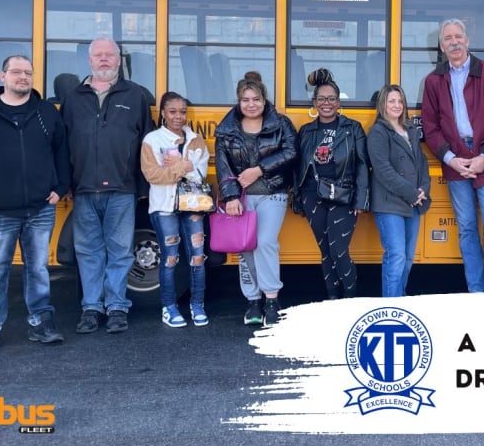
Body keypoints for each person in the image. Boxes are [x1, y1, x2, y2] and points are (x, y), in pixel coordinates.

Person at [0, 55, 70, 356]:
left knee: (38, 269)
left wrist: (60, 187)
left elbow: (62, 152)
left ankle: (41, 322)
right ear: (3, 76)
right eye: (16, 72)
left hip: (40, 208)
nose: (23, 77)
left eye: (28, 72)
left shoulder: (46, 112)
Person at [61, 37, 155, 334]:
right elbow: (62, 144)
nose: (104, 60)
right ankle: (91, 308)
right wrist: (65, 182)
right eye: (98, 55)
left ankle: (116, 308)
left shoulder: (136, 95)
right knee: (89, 252)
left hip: (122, 188)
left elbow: (147, 143)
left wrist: (143, 187)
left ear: (118, 60)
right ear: (89, 60)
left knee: (120, 252)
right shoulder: (74, 97)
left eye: (109, 55)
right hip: (83, 188)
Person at [421, 18, 484, 293]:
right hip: (456, 161)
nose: (454, 42)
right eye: (447, 38)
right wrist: (450, 158)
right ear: (441, 46)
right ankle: (476, 292)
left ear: (468, 41)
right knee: (467, 230)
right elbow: (430, 126)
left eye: (458, 36)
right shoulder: (433, 80)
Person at [214, 73, 297, 327]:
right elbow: (223, 165)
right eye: (245, 100)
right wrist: (230, 196)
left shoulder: (280, 123)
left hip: (273, 192)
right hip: (242, 197)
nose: (251, 104)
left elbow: (291, 152)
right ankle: (252, 301)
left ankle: (271, 300)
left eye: (256, 99)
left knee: (265, 242)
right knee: (245, 247)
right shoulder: (226, 129)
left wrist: (259, 170)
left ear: (264, 99)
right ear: (239, 102)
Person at [293, 69, 370, 300]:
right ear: (314, 102)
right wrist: (297, 198)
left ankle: (350, 297)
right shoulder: (306, 131)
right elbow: (298, 166)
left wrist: (361, 200)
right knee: (326, 252)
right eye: (321, 99)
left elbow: (362, 164)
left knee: (339, 250)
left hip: (344, 195)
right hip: (312, 195)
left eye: (331, 98)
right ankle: (332, 299)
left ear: (338, 102)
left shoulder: (352, 128)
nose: (326, 103)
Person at [140, 91, 210, 328]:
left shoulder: (196, 139)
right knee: (170, 258)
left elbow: (201, 175)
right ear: (162, 113)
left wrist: (178, 166)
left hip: (193, 206)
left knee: (198, 257)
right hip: (164, 207)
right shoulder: (152, 140)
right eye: (172, 112)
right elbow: (153, 175)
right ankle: (169, 307)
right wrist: (185, 167)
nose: (178, 117)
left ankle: (197, 305)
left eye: (182, 112)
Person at [368, 85, 431, 297]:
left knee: (408, 257)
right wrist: (412, 194)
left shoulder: (410, 129)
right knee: (396, 255)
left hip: (413, 203)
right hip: (389, 203)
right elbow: (384, 171)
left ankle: (400, 299)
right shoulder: (378, 132)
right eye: (392, 101)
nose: (397, 105)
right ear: (383, 105)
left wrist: (423, 189)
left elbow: (422, 163)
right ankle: (391, 303)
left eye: (400, 101)